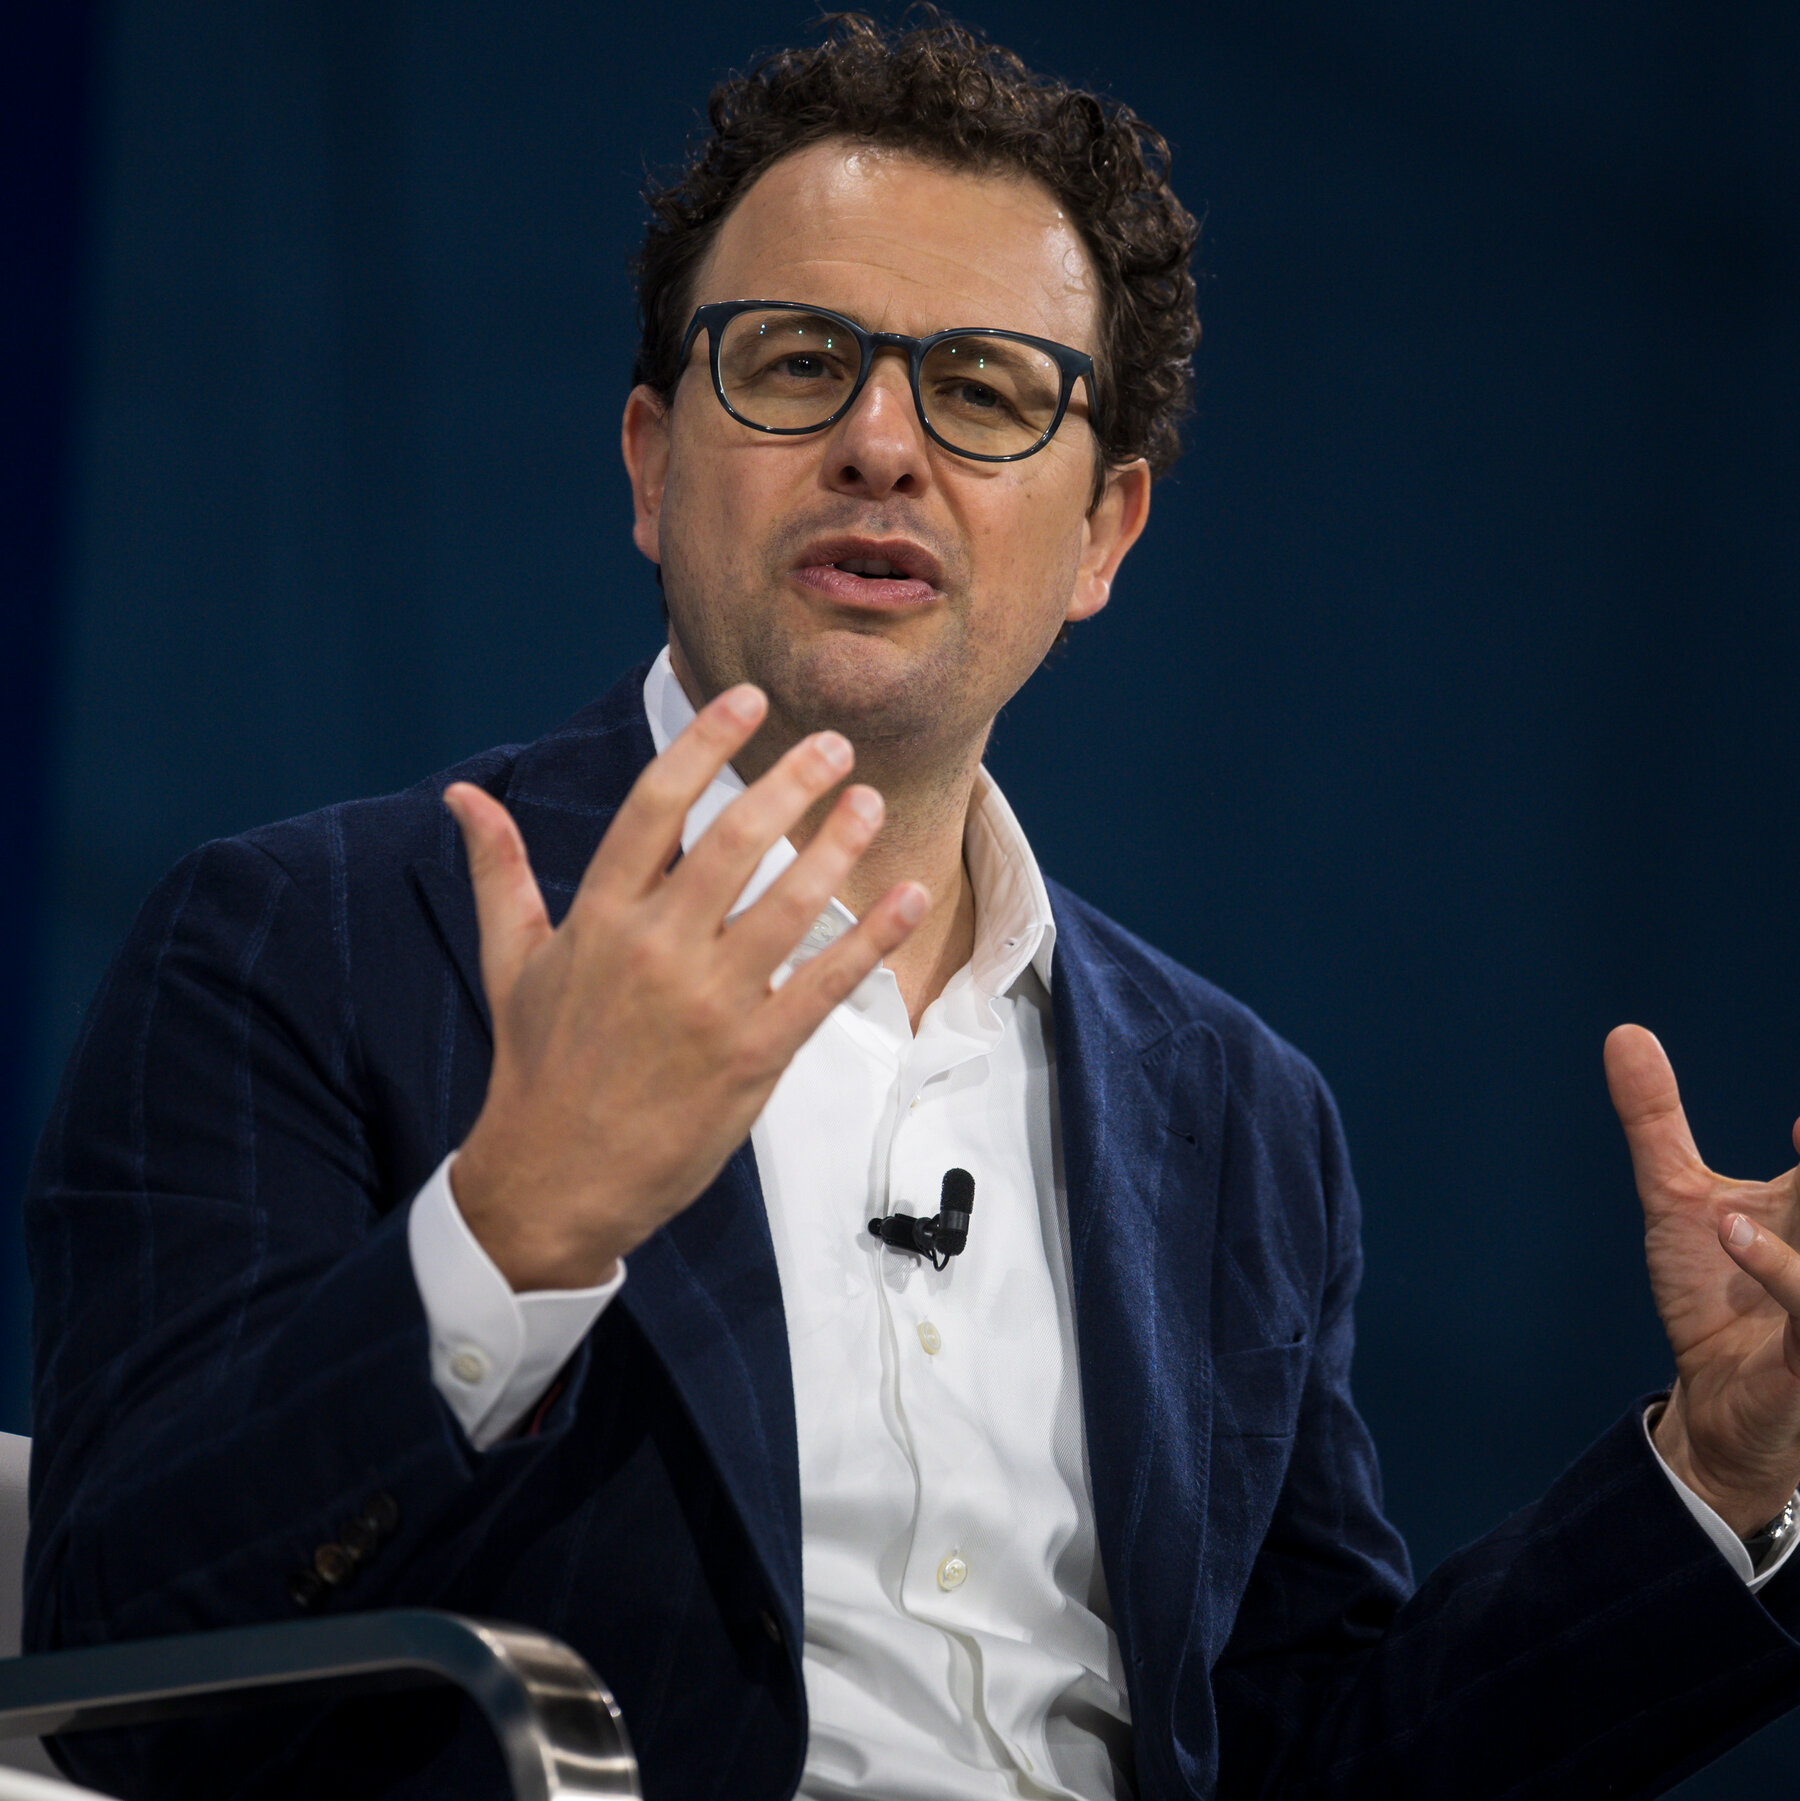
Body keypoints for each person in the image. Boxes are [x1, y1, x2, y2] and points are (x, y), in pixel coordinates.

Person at [23, 15, 1800, 1800]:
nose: (881, 443)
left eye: (986, 389)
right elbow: (119, 1646)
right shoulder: (306, 944)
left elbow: (1316, 1763)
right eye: (797, 362)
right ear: (650, 465)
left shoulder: (1244, 1116)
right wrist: (508, 1232)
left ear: (1103, 533)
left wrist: (1717, 1480)